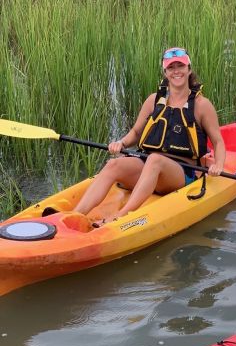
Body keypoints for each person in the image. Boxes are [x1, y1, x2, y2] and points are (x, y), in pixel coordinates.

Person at [74, 47, 225, 221]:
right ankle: (75, 215)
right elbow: (137, 132)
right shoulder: (154, 100)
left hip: (182, 172)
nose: (176, 71)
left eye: (180, 66)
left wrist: (219, 164)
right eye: (171, 67)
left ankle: (120, 216)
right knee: (113, 165)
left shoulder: (201, 105)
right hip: (148, 166)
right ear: (165, 72)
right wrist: (121, 143)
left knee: (155, 160)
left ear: (189, 69)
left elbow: (218, 142)